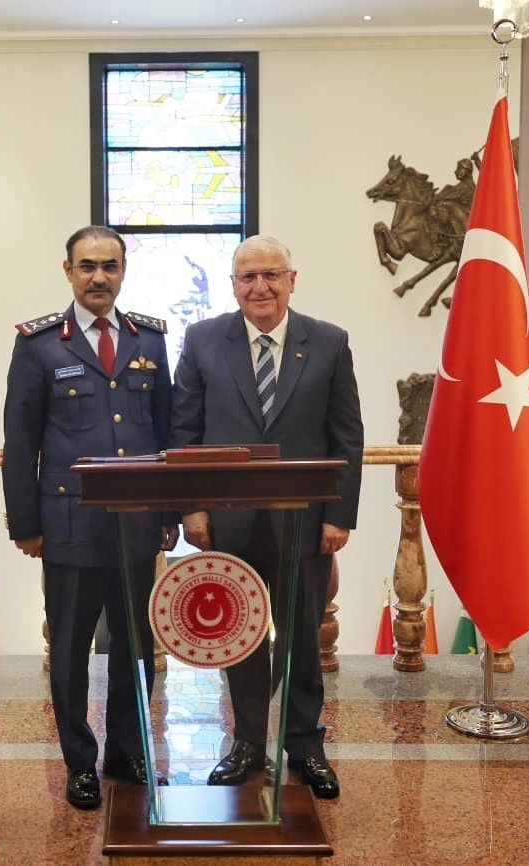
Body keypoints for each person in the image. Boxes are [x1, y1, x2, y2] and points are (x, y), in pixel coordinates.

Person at [170, 235, 363, 800]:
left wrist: (339, 515)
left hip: (305, 523)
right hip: (228, 522)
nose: (260, 287)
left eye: (271, 275)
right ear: (233, 286)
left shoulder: (328, 342)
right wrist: (192, 506)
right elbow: (184, 432)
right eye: (248, 277)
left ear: (292, 280)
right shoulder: (204, 340)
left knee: (302, 636)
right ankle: (248, 743)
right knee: (241, 635)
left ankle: (304, 745)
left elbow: (347, 436)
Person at [1, 225, 178, 810]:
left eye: (110, 266)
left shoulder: (149, 339)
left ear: (123, 271)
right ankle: (80, 761)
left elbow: (167, 433)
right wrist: (27, 524)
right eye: (87, 266)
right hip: (70, 524)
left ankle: (127, 751)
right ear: (68, 271)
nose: (99, 277)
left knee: (136, 647)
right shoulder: (39, 345)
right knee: (71, 650)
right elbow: (20, 441)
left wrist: (169, 510)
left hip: (136, 525)